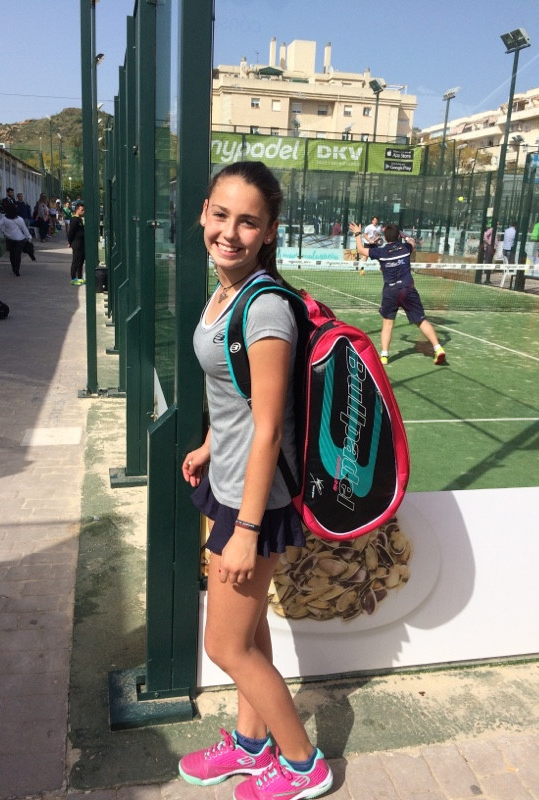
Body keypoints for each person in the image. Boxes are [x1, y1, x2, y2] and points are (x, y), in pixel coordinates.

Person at [178, 161, 333, 800]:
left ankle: (302, 764)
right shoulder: (224, 292)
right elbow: (237, 399)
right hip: (230, 483)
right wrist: (211, 445)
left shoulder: (265, 307)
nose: (230, 232)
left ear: (269, 231)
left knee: (224, 646)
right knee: (248, 631)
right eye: (221, 214)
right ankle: (249, 744)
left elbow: (269, 429)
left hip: (255, 502)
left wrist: (245, 530)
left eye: (248, 222)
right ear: (204, 213)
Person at [350, 220, 446, 366]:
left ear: (385, 237)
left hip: (391, 292)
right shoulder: (406, 248)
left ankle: (384, 356)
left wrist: (357, 233)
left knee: (388, 324)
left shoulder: (381, 252)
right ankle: (438, 348)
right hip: (408, 289)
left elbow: (361, 250)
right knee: (421, 321)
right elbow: (412, 242)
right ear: (398, 236)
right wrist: (404, 235)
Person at [0, 204, 34, 276]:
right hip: (20, 239)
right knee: (17, 255)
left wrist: (4, 231)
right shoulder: (19, 219)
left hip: (10, 239)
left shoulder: (5, 218)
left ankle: (13, 268)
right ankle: (17, 270)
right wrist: (29, 237)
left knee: (12, 254)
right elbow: (24, 229)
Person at [67, 201, 86, 285]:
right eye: (82, 210)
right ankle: (73, 278)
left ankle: (79, 277)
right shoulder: (74, 220)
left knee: (80, 261)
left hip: (81, 243)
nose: (83, 212)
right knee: (76, 261)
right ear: (77, 210)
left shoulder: (79, 219)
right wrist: (70, 242)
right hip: (76, 243)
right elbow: (71, 232)